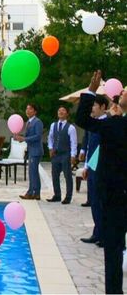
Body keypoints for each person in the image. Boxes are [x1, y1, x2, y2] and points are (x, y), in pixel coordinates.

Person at [76, 71, 127, 295]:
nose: (122, 91)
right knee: (113, 247)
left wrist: (91, 91)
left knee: (113, 250)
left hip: (115, 195)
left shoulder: (115, 125)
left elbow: (82, 120)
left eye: (125, 91)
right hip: (116, 193)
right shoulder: (116, 123)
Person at [79, 96, 108, 245]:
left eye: (95, 105)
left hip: (101, 168)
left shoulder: (107, 124)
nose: (92, 108)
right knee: (94, 201)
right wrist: (86, 166)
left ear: (103, 107)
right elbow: (90, 146)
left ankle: (103, 234)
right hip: (91, 166)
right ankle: (97, 232)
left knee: (101, 202)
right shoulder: (94, 124)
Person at [46, 106, 77, 204]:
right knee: (54, 175)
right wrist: (50, 148)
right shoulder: (53, 125)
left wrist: (73, 155)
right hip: (55, 154)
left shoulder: (71, 127)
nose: (61, 112)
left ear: (67, 113)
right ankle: (57, 195)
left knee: (67, 176)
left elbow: (73, 142)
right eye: (59, 110)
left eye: (63, 110)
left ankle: (68, 196)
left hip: (65, 154)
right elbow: (50, 137)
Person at [15, 103, 44, 200]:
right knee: (32, 172)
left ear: (35, 111)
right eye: (27, 108)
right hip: (31, 150)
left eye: (30, 109)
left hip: (36, 150)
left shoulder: (37, 122)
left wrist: (24, 139)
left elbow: (38, 136)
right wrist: (20, 138)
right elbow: (28, 136)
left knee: (33, 172)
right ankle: (34, 193)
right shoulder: (28, 122)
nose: (27, 110)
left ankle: (33, 192)